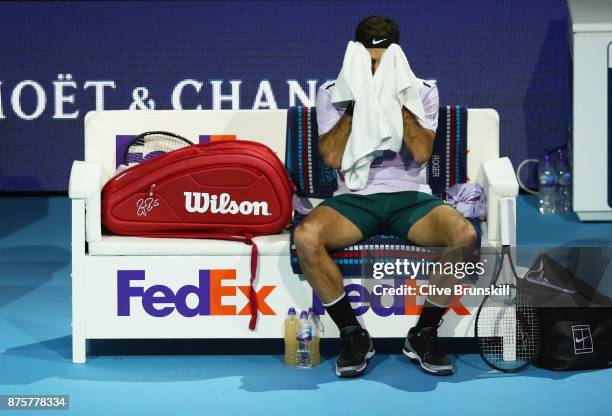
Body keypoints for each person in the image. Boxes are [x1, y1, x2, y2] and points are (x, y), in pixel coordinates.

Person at [293, 16, 477, 377]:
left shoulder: (422, 90)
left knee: (464, 237)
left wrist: (397, 96)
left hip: (411, 197)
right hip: (354, 198)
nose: (376, 69)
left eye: (383, 62)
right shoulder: (333, 92)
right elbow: (331, 157)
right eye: (370, 62)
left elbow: (421, 152)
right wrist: (359, 100)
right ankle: (351, 333)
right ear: (357, 56)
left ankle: (423, 333)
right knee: (306, 236)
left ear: (396, 55)